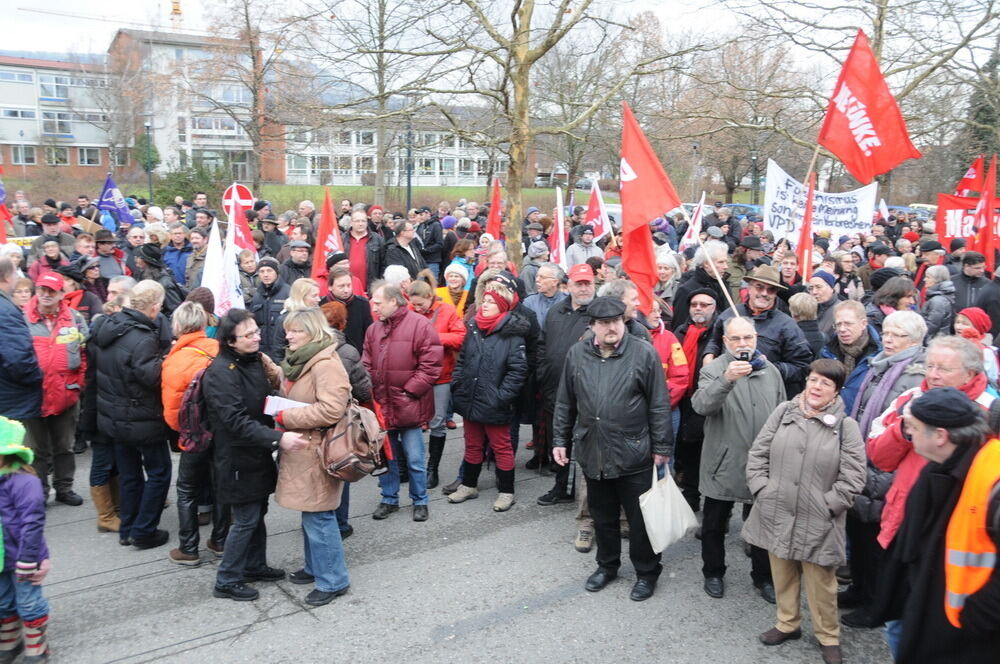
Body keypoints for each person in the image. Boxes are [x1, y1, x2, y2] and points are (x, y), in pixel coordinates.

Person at [742, 359, 866, 664]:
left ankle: (828, 636)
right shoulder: (784, 412)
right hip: (777, 509)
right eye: (813, 380)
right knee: (782, 572)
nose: (816, 387)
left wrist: (830, 505)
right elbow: (758, 453)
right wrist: (762, 489)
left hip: (819, 516)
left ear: (836, 391)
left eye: (825, 383)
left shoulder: (845, 427)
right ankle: (788, 623)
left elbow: (854, 476)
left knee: (822, 582)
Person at [552, 296, 672, 601]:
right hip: (593, 449)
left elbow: (659, 404)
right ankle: (607, 566)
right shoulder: (577, 354)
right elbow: (565, 402)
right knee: (602, 515)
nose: (612, 328)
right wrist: (559, 440)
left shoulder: (643, 353)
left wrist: (661, 447)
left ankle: (647, 572)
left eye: (617, 321)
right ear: (592, 326)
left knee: (640, 520)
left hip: (634, 451)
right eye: (604, 323)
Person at [873, 388, 1000, 663]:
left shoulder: (993, 480)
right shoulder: (941, 467)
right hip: (930, 611)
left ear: (940, 436)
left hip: (966, 636)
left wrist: (976, 615)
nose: (909, 435)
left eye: (914, 429)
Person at [203, 309, 308, 601]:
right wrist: (278, 438)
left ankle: (254, 564)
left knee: (257, 512)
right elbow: (235, 421)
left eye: (256, 331)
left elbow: (260, 402)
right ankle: (227, 579)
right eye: (248, 334)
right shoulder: (221, 373)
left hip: (256, 451)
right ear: (230, 341)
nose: (256, 337)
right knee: (247, 517)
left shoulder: (251, 361)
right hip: (237, 457)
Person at [693, 316, 786, 602]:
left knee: (762, 525)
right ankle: (713, 572)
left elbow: (782, 412)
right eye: (736, 339)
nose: (743, 344)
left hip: (761, 464)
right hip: (723, 461)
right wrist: (726, 380)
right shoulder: (714, 370)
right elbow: (701, 405)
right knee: (713, 524)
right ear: (725, 342)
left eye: (747, 338)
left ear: (756, 338)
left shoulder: (770, 370)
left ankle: (763, 577)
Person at [274, 309, 353, 606]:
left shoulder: (326, 364)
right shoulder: (301, 359)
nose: (288, 335)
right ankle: (315, 567)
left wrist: (287, 416)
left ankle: (334, 579)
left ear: (313, 333)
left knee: (320, 516)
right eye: (288, 330)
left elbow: (332, 409)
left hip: (318, 449)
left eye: (295, 331)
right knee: (311, 513)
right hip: (303, 448)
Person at [92, 280, 172, 550]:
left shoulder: (109, 326)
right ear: (153, 308)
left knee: (129, 473)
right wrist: (167, 359)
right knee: (159, 472)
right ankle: (144, 530)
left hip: (113, 416)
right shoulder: (142, 337)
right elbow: (151, 378)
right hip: (140, 418)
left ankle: (128, 527)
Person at [363, 283, 442, 522]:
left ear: (393, 302)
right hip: (382, 406)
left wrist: (409, 393)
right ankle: (389, 498)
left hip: (409, 406)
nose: (374, 307)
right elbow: (365, 363)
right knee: (387, 458)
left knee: (415, 459)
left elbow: (431, 366)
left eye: (378, 302)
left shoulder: (419, 326)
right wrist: (368, 393)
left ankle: (420, 500)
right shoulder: (373, 330)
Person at [448, 282, 529, 512]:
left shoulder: (512, 335)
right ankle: (469, 485)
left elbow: (518, 371)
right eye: (484, 301)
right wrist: (458, 384)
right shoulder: (473, 328)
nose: (485, 305)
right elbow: (462, 361)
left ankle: (506, 491)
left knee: (501, 447)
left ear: (502, 306)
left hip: (495, 402)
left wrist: (501, 397)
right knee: (472, 445)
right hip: (470, 398)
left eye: (491, 302)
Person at [161, 302, 228, 566]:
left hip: (193, 433)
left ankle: (189, 547)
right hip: (221, 431)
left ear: (177, 325)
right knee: (220, 485)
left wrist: (181, 432)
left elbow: (171, 408)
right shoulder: (219, 350)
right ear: (203, 323)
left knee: (187, 489)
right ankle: (220, 540)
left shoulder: (174, 359)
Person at [21, 272, 88, 506]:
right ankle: (39, 491)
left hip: (66, 395)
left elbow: (84, 352)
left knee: (65, 447)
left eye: (51, 291)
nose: (46, 295)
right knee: (35, 449)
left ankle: (64, 487)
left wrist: (78, 384)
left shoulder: (75, 318)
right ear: (35, 291)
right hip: (33, 396)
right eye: (42, 290)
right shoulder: (21, 319)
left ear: (61, 294)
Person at [535, 264, 597, 509]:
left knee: (587, 444)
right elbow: (542, 345)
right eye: (578, 283)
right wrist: (543, 373)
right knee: (558, 441)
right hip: (554, 390)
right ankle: (561, 487)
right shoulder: (555, 311)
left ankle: (589, 495)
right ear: (567, 285)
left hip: (587, 393)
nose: (583, 288)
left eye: (587, 283)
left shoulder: (599, 313)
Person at [702, 265, 814, 397]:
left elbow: (802, 367)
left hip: (764, 395)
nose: (764, 293)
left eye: (771, 290)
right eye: (759, 287)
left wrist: (768, 368)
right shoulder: (730, 313)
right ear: (749, 287)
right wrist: (709, 355)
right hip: (729, 392)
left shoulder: (787, 325)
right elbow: (714, 340)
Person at [0, 417, 52, 663]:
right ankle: (10, 638)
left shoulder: (24, 482)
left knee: (29, 602)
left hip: (24, 557)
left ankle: (37, 646)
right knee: (3, 601)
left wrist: (30, 559)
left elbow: (32, 525)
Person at [407, 281, 465, 489]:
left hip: (441, 375)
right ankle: (414, 466)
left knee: (438, 420)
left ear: (430, 297)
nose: (417, 308)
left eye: (420, 304)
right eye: (414, 305)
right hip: (414, 373)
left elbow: (460, 337)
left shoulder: (447, 310)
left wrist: (434, 337)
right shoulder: (408, 311)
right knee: (412, 420)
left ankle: (433, 468)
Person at [674, 288, 719, 512]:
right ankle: (690, 494)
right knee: (687, 448)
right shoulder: (680, 332)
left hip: (709, 400)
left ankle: (711, 500)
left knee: (706, 450)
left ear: (714, 308)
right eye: (694, 304)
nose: (698, 308)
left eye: (704, 304)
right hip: (682, 399)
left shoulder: (718, 334)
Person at [0, 258, 43, 424]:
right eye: (15, 273)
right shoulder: (6, 311)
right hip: (11, 399)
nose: (18, 277)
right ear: (6, 277)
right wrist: (38, 377)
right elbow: (18, 359)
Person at [819, 300, 881, 413]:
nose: (842, 329)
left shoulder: (880, 356)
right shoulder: (826, 351)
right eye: (838, 324)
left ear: (863, 324)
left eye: (848, 324)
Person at [269, 278, 321, 363]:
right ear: (301, 296)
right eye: (314, 296)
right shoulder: (284, 320)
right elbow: (279, 351)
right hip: (294, 367)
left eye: (318, 295)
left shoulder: (318, 315)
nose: (318, 299)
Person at [250, 257, 290, 361]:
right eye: (262, 271)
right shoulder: (257, 296)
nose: (265, 274)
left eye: (269, 270)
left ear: (277, 272)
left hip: (283, 351)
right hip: (262, 352)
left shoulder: (288, 293)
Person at [954, 307, 1000, 383]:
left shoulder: (986, 352)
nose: (958, 327)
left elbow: (990, 378)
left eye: (965, 324)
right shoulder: (950, 344)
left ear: (977, 328)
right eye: (957, 322)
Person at [522, 262, 567, 329]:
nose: (537, 280)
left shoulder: (567, 302)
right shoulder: (529, 302)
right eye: (537, 276)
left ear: (555, 282)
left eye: (542, 277)